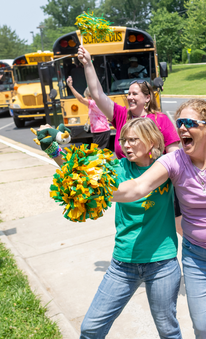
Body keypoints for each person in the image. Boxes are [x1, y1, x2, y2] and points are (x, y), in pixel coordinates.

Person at [112, 99, 206, 339]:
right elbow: (138, 187)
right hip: (197, 257)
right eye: (179, 123)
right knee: (203, 328)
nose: (182, 128)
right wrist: (96, 191)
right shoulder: (174, 161)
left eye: (189, 123)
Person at [42, 118, 182, 339]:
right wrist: (55, 150)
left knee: (168, 331)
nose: (126, 145)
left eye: (133, 140)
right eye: (124, 140)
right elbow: (83, 175)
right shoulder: (119, 167)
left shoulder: (166, 168)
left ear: (151, 140)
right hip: (123, 264)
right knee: (90, 328)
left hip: (162, 264)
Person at [77, 45, 184, 233]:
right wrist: (88, 64)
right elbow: (97, 93)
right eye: (128, 94)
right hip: (128, 189)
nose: (129, 97)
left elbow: (175, 154)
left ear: (147, 98)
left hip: (160, 189)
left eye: (135, 94)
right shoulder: (120, 115)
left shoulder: (161, 119)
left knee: (177, 230)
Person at [66, 76, 111, 149]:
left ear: (90, 96)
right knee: (99, 153)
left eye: (87, 96)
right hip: (100, 131)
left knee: (97, 153)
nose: (86, 98)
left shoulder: (94, 103)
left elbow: (81, 99)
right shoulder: (97, 102)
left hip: (101, 131)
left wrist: (71, 87)